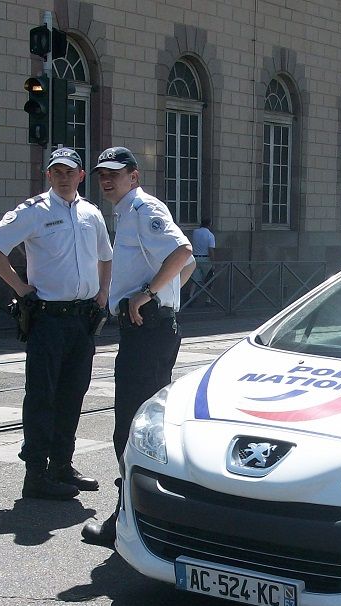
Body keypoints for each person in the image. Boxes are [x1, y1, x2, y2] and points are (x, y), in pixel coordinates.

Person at [0, 147, 112, 500]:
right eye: (57, 171)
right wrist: (21, 289)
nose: (63, 176)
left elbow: (106, 256)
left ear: (81, 175)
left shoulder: (91, 213)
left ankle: (62, 466)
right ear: (48, 176)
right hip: (48, 319)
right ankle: (36, 473)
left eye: (69, 171)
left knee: (72, 394)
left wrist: (103, 295)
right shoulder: (34, 211)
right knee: (41, 396)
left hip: (83, 319)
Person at [82, 146, 194, 546]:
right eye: (102, 175)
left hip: (146, 331)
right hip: (151, 328)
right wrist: (165, 297)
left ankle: (126, 520)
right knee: (142, 424)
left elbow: (183, 252)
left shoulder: (142, 210)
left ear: (134, 176)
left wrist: (148, 295)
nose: (107, 180)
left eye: (116, 173)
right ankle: (143, 515)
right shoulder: (128, 211)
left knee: (130, 428)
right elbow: (185, 264)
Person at [189, 217, 216, 305]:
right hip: (206, 259)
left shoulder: (195, 232)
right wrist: (213, 263)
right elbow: (211, 250)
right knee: (209, 280)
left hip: (195, 258)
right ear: (210, 224)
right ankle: (208, 299)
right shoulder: (210, 235)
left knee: (195, 280)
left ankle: (191, 296)